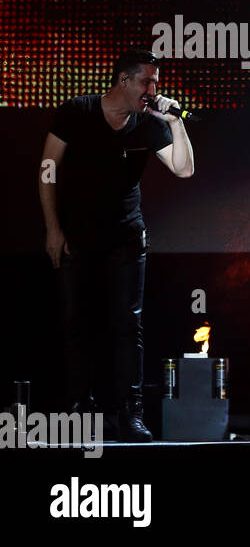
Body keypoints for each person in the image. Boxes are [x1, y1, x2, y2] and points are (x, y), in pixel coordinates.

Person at [39, 49, 195, 442]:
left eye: (156, 82)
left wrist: (176, 122)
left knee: (128, 325)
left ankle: (129, 412)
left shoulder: (146, 124)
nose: (153, 89)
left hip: (126, 238)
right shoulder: (78, 111)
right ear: (123, 80)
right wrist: (53, 228)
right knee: (78, 323)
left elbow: (183, 168)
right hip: (77, 237)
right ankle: (79, 410)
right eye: (146, 81)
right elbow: (47, 169)